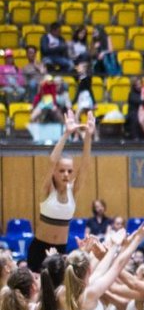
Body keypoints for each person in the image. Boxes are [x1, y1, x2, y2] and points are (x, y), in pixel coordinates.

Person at [27, 111, 93, 271]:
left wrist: (88, 137)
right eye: (62, 170)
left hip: (62, 250)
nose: (66, 174)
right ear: (55, 172)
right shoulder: (47, 190)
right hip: (40, 250)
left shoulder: (73, 191)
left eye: (70, 171)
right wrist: (66, 133)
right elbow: (52, 161)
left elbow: (85, 165)